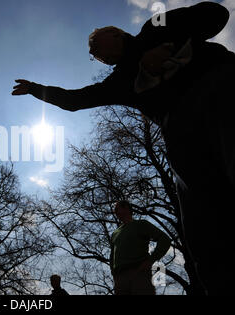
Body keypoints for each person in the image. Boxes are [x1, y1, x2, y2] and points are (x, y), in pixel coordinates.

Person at [12, 1, 235, 295]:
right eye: (95, 56)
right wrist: (35, 89)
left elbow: (216, 14)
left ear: (117, 34)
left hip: (220, 86)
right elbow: (75, 100)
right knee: (204, 232)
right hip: (181, 132)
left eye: (98, 47)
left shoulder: (154, 28)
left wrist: (173, 44)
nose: (97, 55)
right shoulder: (120, 81)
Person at [110, 201, 171, 295]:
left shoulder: (141, 224)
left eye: (117, 208)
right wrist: (114, 273)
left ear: (127, 208)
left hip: (139, 273)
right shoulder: (115, 233)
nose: (115, 212)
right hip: (120, 279)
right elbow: (112, 255)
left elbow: (164, 239)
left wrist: (151, 260)